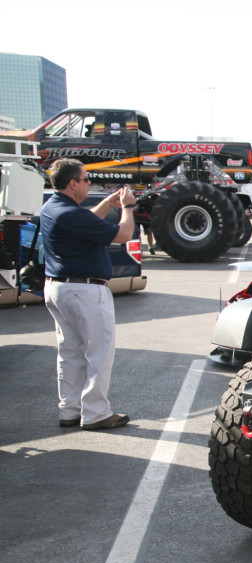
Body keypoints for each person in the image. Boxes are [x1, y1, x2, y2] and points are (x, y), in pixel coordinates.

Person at [40, 158, 136, 429]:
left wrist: (106, 204)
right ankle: (95, 412)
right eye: (85, 179)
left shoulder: (53, 207)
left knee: (69, 352)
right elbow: (123, 234)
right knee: (98, 353)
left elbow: (86, 221)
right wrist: (127, 206)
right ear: (73, 183)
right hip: (84, 290)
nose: (88, 182)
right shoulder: (71, 214)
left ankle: (69, 410)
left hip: (59, 287)